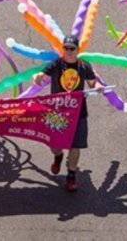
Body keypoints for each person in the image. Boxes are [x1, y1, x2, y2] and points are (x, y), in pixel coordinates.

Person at [33, 35, 103, 192]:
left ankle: (71, 176)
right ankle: (58, 156)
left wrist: (98, 86)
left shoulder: (84, 66)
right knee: (55, 145)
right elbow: (42, 75)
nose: (69, 51)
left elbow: (92, 82)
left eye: (72, 49)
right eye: (66, 48)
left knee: (75, 146)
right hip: (57, 113)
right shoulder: (56, 64)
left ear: (78, 50)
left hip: (78, 112)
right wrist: (37, 77)